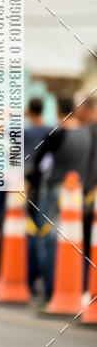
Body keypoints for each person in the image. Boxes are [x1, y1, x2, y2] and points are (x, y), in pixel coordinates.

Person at [28, 96, 90, 302]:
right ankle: (75, 288)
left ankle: (49, 289)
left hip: (56, 190)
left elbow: (37, 163)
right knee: (74, 241)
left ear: (57, 111)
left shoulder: (57, 134)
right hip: (77, 193)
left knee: (47, 238)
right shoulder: (86, 134)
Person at [23, 98, 53, 294]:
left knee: (33, 232)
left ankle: (33, 278)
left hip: (31, 185)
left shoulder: (26, 133)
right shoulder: (51, 131)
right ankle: (45, 279)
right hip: (47, 184)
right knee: (45, 231)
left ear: (29, 111)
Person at [75, 94, 97, 290]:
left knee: (89, 241)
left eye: (78, 107)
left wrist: (87, 190)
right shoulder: (85, 129)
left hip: (89, 195)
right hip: (85, 194)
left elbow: (93, 164)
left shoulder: (92, 130)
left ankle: (86, 286)